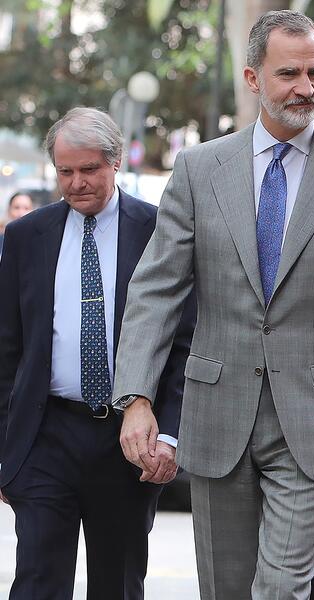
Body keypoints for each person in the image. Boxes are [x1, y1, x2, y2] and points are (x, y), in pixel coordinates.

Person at [111, 10, 314, 599]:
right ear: (252, 78)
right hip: (217, 414)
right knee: (226, 589)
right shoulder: (199, 168)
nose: (306, 87)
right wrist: (136, 398)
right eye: (289, 73)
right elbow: (157, 289)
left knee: (281, 589)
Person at [0, 107, 193, 599]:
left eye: (88, 169)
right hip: (45, 434)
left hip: (126, 438)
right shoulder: (26, 236)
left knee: (118, 583)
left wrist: (169, 434)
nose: (76, 183)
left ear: (115, 162)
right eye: (65, 171)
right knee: (37, 582)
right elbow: (7, 347)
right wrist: (6, 448)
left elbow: (183, 342)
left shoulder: (158, 231)